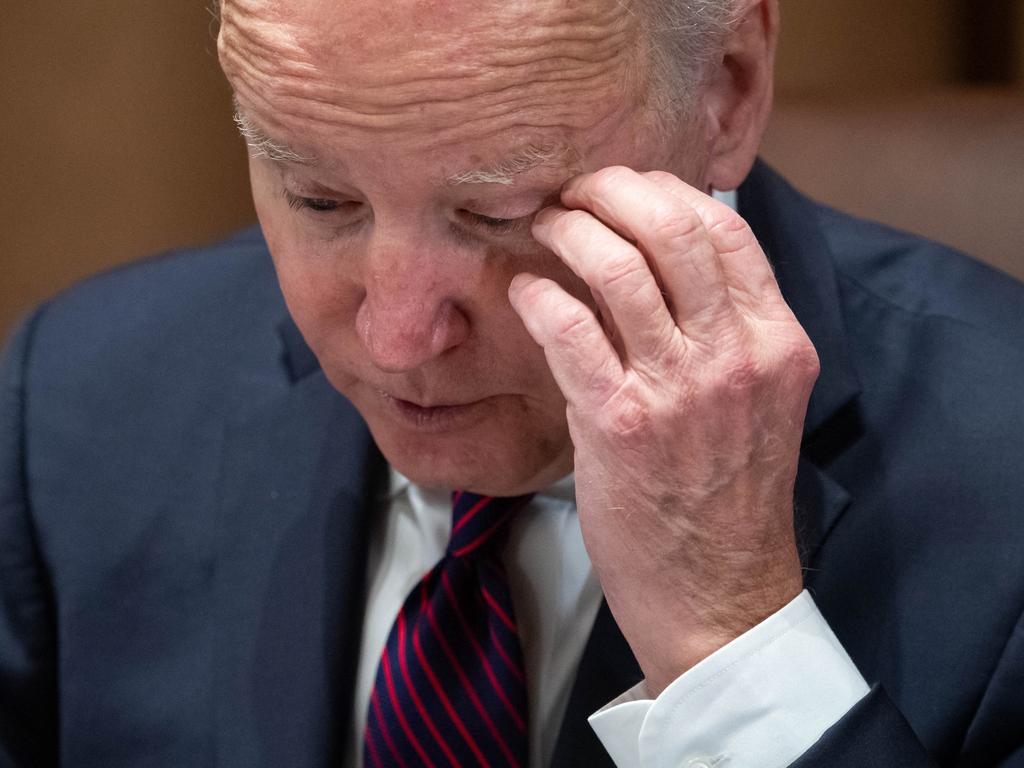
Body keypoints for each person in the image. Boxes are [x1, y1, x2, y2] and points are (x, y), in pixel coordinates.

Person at [1, 0, 1022, 765]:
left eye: (501, 214)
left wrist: (730, 642)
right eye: (321, 199)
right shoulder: (80, 397)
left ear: (727, 86)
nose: (400, 337)